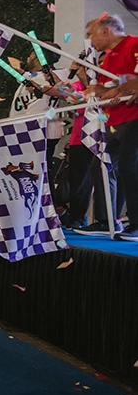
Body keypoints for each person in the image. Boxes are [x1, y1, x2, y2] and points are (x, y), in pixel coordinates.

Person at [79, 14, 138, 240]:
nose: (90, 39)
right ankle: (105, 220)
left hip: (134, 117)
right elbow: (112, 88)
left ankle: (135, 223)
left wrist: (120, 90)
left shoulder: (134, 44)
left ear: (107, 31)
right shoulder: (109, 57)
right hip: (113, 121)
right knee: (100, 166)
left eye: (92, 34)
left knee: (129, 167)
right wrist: (98, 91)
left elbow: (127, 85)